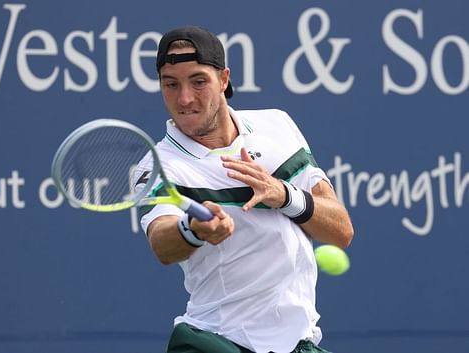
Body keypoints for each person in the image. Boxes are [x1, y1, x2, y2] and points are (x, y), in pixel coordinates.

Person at [138, 25, 354, 353]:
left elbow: (341, 230)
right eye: (171, 85)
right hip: (215, 343)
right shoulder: (158, 166)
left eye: (198, 81)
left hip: (299, 343)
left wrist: (284, 194)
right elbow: (162, 242)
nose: (184, 99)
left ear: (224, 79)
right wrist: (193, 229)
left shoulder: (278, 126)